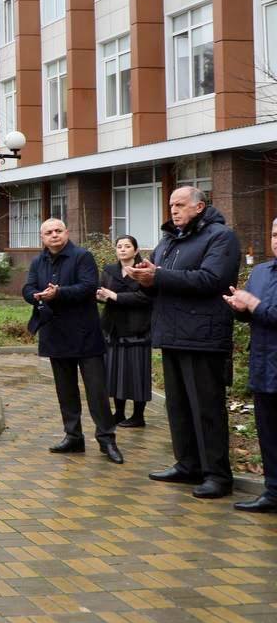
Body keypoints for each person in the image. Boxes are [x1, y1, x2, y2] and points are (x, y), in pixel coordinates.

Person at [130, 187, 240, 499]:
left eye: (180, 205)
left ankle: (217, 475)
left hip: (203, 337)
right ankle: (187, 464)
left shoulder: (221, 237)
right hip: (172, 333)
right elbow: (156, 281)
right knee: (178, 406)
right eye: (171, 205)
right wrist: (143, 279)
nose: (174, 210)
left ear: (199, 207)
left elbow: (213, 280)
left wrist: (159, 277)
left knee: (207, 408)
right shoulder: (169, 240)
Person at [24, 219, 123, 464]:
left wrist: (59, 293)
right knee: (65, 390)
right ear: (42, 237)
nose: (54, 235)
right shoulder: (38, 261)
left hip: (85, 335)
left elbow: (89, 287)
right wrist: (36, 296)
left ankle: (107, 439)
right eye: (49, 232)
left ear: (67, 233)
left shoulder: (82, 256)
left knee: (97, 391)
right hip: (55, 334)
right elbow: (28, 287)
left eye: (58, 231)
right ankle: (73, 437)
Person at [224, 217, 277, 513]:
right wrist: (240, 309)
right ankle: (272, 492)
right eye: (273, 233)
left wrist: (254, 305)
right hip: (263, 364)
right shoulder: (260, 272)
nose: (276, 239)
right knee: (268, 433)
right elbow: (254, 315)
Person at [97, 235, 153, 428]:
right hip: (112, 327)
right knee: (115, 373)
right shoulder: (109, 270)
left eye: (127, 246)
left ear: (136, 250)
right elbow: (102, 291)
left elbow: (146, 298)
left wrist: (116, 296)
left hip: (136, 328)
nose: (122, 249)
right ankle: (119, 412)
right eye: (119, 246)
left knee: (137, 373)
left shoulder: (144, 271)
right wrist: (100, 296)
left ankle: (139, 415)